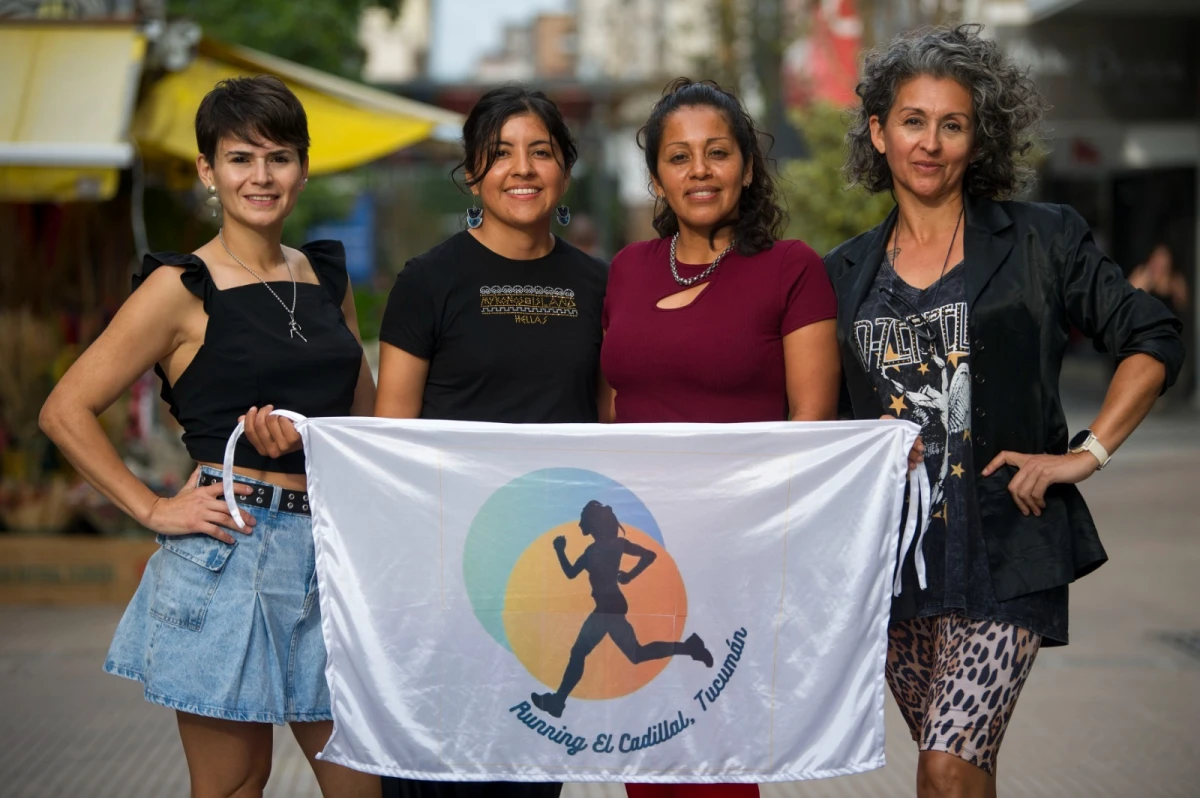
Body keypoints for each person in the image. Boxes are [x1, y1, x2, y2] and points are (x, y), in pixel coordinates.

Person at [824, 24, 1184, 798]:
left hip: (1008, 554)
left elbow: (1151, 335)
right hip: (895, 569)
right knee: (959, 773)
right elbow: (815, 421)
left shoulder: (1042, 240)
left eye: (952, 124)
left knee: (945, 769)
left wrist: (1087, 453)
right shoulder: (841, 275)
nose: (930, 143)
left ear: (977, 138)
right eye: (913, 122)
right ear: (879, 132)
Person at [38, 76, 379, 797]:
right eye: (240, 158)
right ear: (208, 171)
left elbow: (362, 421)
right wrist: (154, 509)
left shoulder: (327, 274)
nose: (261, 176)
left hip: (329, 551)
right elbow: (65, 409)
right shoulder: (180, 287)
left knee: (362, 783)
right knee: (235, 784)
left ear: (303, 167)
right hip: (232, 551)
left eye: (279, 157)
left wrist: (311, 441)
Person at [601, 78, 841, 798]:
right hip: (640, 556)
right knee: (648, 761)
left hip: (738, 553)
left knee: (721, 766)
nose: (699, 170)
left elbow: (813, 423)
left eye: (717, 153)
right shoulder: (624, 271)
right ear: (656, 176)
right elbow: (606, 411)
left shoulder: (793, 269)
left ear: (746, 165)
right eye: (680, 156)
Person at [374, 86, 606, 798]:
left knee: (526, 781)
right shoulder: (427, 283)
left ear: (565, 168)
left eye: (541, 151)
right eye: (500, 153)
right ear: (471, 173)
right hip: (445, 582)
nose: (522, 168)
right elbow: (391, 440)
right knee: (431, 778)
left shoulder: (601, 286)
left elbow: (610, 430)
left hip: (546, 590)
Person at [531, 500, 713, 719]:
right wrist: (628, 575)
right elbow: (572, 573)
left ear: (592, 523)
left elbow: (648, 556)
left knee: (581, 652)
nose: (580, 525)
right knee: (635, 654)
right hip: (609, 606)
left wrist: (560, 550)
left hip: (609, 607)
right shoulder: (606, 547)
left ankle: (558, 701)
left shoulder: (604, 548)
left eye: (583, 520)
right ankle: (690, 647)